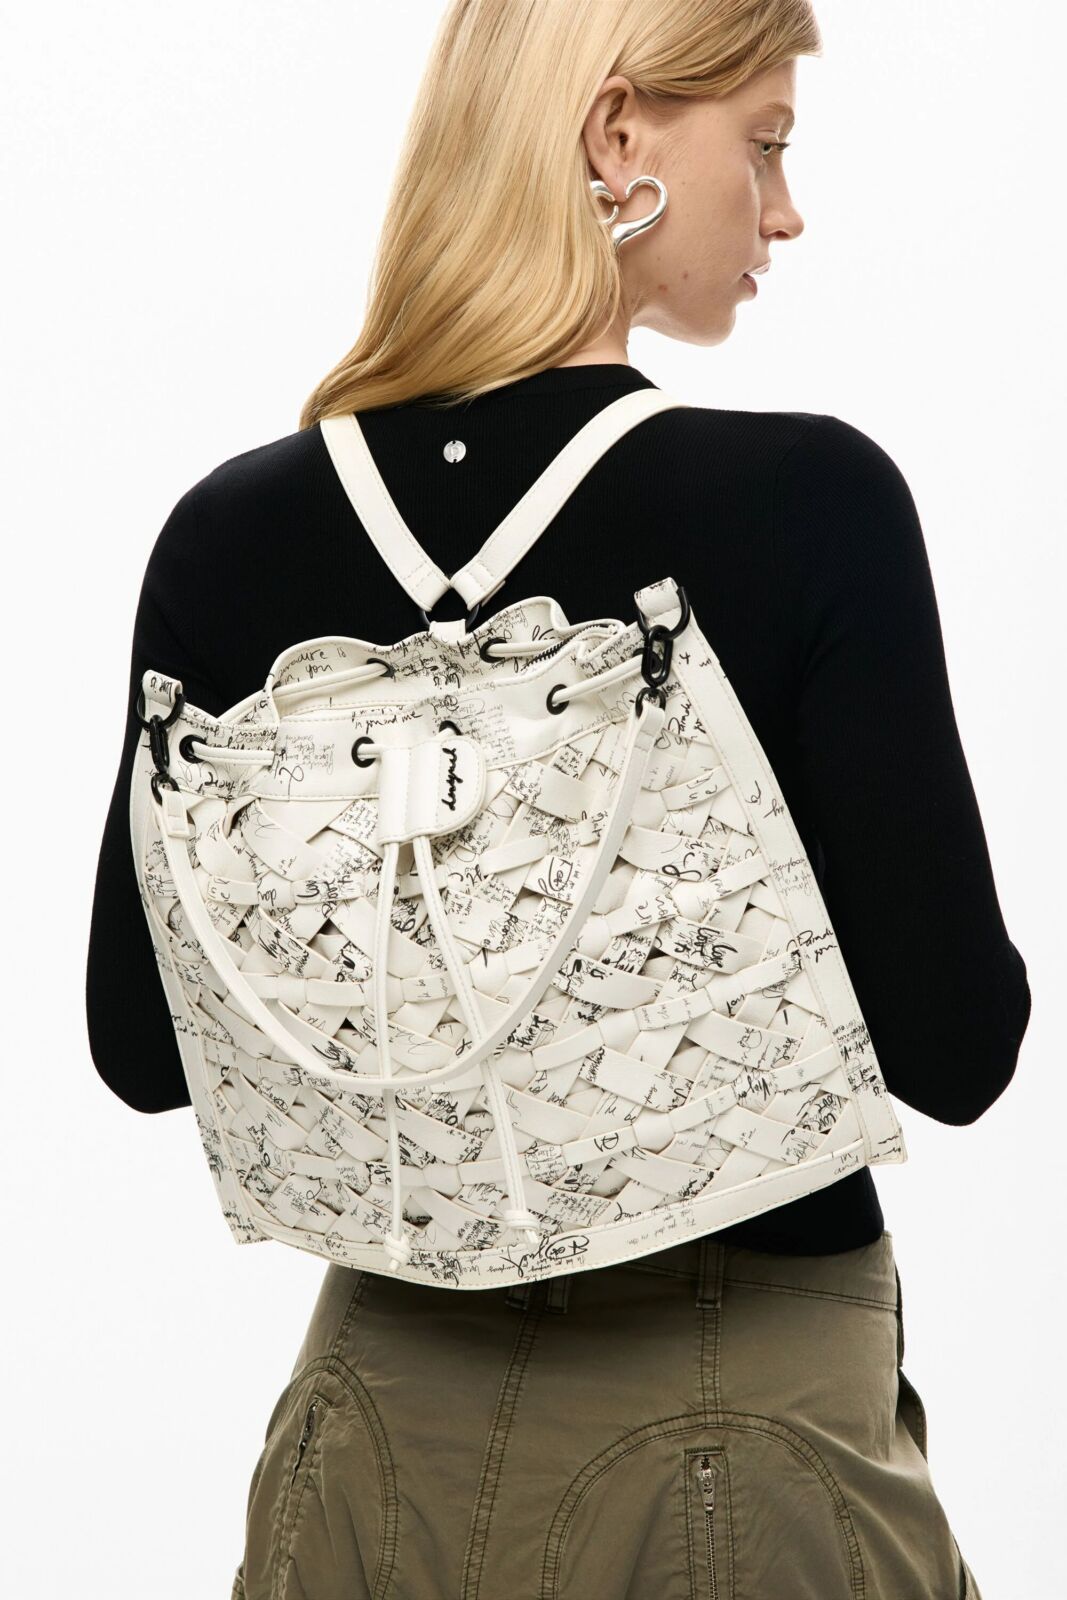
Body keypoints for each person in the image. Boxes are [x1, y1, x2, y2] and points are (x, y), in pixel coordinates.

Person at [85, 2, 1030, 1595]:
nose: (785, 211)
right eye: (766, 145)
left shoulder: (228, 537)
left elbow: (138, 1047)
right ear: (617, 136)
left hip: (367, 1428)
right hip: (741, 1427)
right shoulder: (809, 503)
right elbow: (956, 1050)